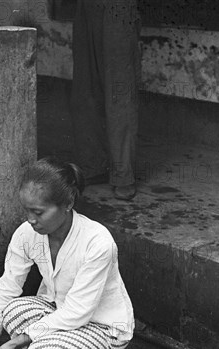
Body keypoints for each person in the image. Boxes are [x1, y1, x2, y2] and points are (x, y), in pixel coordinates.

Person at [0, 157, 134, 349]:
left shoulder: (98, 242)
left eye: (39, 212)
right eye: (26, 210)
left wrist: (13, 343)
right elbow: (6, 290)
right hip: (59, 311)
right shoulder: (27, 234)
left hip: (104, 326)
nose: (31, 219)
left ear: (68, 202)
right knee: (12, 310)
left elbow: (78, 312)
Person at [71, 0, 141, 200]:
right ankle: (95, 166)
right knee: (85, 88)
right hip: (85, 6)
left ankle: (123, 175)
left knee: (120, 90)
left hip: (119, 7)